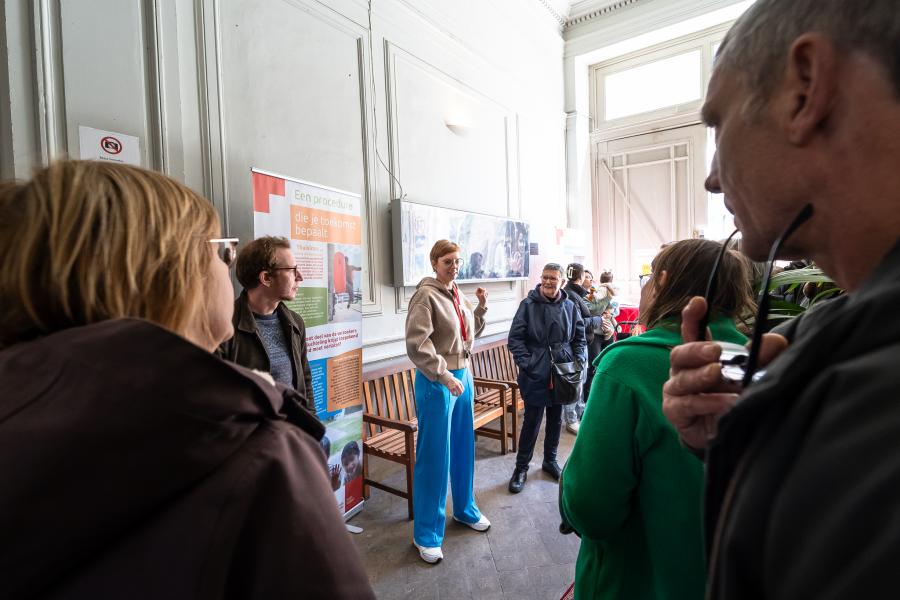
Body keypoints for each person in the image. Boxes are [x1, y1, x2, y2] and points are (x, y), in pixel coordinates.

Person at [0, 160, 374, 599]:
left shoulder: (24, 410)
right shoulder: (260, 454)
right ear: (171, 279)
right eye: (220, 253)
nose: (227, 270)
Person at [661, 1, 900, 597]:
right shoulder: (825, 332)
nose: (713, 176)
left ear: (804, 89)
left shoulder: (874, 409)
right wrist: (726, 427)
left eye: (717, 123)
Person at [561, 239, 754, 600]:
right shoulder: (756, 362)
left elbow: (591, 509)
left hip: (637, 582)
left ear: (662, 282)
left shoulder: (627, 366)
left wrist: (567, 490)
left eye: (646, 279)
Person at [405, 239, 491, 564]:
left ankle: (465, 509)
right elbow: (417, 344)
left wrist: (480, 308)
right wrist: (444, 376)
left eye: (457, 261)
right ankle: (426, 534)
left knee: (463, 447)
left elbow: (468, 336)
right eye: (447, 262)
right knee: (435, 457)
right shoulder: (426, 295)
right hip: (438, 381)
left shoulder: (456, 292)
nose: (454, 266)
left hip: (462, 376)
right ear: (434, 263)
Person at [507, 263, 587, 493]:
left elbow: (579, 338)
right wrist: (528, 363)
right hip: (536, 371)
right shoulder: (528, 305)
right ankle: (521, 467)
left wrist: (578, 362)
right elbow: (515, 339)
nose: (548, 281)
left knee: (556, 419)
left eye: (553, 278)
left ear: (562, 281)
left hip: (563, 370)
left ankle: (550, 460)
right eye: (545, 277)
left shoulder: (570, 306)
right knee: (532, 421)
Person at [218, 236, 314, 412]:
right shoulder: (223, 328)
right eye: (292, 270)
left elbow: (305, 380)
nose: (299, 277)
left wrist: (312, 426)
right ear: (266, 278)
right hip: (257, 437)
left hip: (294, 433)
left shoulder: (295, 323)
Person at [562, 263, 605, 434]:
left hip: (581, 344)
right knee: (575, 382)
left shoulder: (575, 294)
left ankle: (580, 415)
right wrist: (597, 320)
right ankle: (571, 419)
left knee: (581, 380)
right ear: (580, 278)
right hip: (574, 345)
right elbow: (576, 323)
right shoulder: (572, 295)